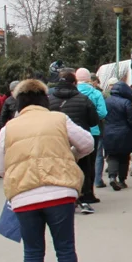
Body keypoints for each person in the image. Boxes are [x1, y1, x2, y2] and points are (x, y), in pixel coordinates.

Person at [0, 79, 95, 262]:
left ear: (19, 102)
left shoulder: (9, 128)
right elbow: (88, 143)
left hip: (24, 196)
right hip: (60, 192)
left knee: (33, 250)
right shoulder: (59, 119)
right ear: (44, 100)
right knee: (65, 246)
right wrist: (71, 156)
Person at [49, 70, 101, 212]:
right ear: (74, 83)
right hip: (80, 138)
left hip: (58, 140)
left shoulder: (50, 99)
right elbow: (93, 121)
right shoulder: (83, 99)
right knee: (84, 167)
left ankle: (63, 197)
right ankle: (84, 197)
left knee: (60, 167)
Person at [103, 71, 132, 192]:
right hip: (124, 132)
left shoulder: (106, 101)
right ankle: (122, 180)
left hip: (108, 131)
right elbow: (131, 118)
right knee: (124, 157)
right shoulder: (126, 102)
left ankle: (112, 176)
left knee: (112, 156)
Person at [75, 69, 108, 190]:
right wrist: (93, 119)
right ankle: (94, 183)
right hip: (94, 130)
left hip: (75, 131)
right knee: (96, 157)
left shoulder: (74, 93)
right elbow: (103, 112)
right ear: (89, 79)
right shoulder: (96, 93)